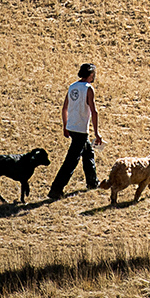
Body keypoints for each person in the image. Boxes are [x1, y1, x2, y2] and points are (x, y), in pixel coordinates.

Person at [47, 63, 102, 199]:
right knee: (71, 161)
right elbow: (94, 112)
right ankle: (56, 189)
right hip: (81, 129)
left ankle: (93, 182)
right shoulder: (88, 88)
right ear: (90, 74)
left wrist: (65, 126)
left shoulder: (72, 87)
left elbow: (64, 108)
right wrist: (97, 133)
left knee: (88, 153)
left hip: (72, 127)